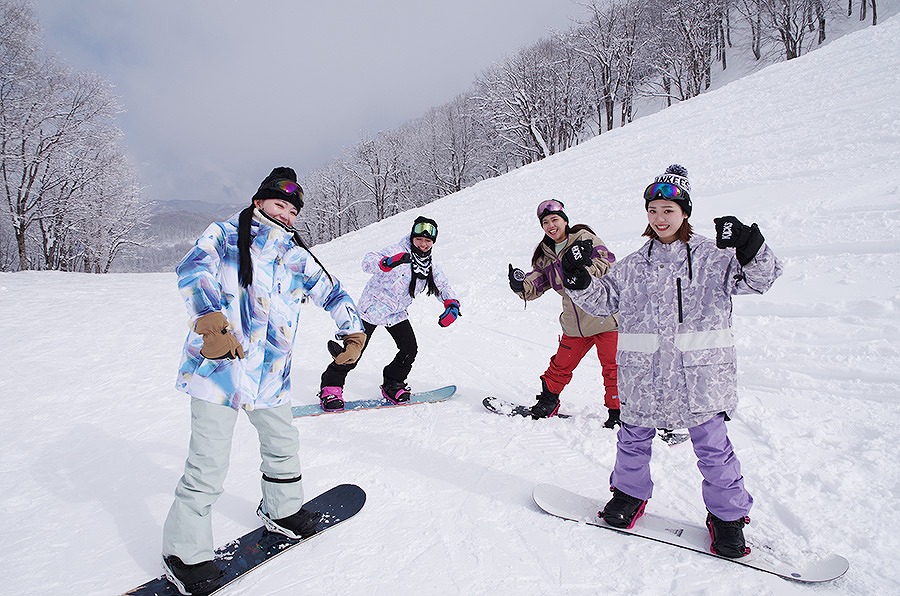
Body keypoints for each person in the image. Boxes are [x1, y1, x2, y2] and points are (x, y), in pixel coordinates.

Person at [161, 167, 367, 595]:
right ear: (259, 202)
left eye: (294, 210)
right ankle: (184, 552)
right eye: (280, 204)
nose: (288, 215)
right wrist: (210, 319)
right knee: (209, 463)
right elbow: (192, 268)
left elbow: (333, 292)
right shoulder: (225, 235)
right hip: (220, 371)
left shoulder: (296, 255)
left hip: (271, 375)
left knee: (282, 444)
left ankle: (284, 509)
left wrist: (353, 331)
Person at [559, 164, 782, 558]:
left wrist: (750, 246)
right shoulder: (631, 265)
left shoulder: (714, 256)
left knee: (713, 448)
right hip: (642, 375)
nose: (660, 218)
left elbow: (761, 279)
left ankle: (727, 518)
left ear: (685, 213)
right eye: (653, 210)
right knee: (632, 441)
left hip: (701, 378)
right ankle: (629, 495)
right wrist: (578, 280)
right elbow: (604, 302)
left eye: (668, 210)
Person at [317, 216, 460, 409]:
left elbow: (442, 286)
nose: (423, 244)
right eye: (419, 239)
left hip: (396, 313)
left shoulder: (429, 265)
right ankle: (330, 388)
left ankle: (393, 383)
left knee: (409, 349)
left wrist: (451, 304)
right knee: (353, 352)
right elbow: (367, 262)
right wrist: (387, 262)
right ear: (412, 237)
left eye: (428, 241)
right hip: (372, 309)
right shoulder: (398, 251)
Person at [507, 199, 620, 425]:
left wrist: (583, 272)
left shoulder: (585, 240)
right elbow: (538, 282)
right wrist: (521, 285)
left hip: (605, 318)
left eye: (555, 220)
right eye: (546, 222)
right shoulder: (544, 256)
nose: (551, 225)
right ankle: (548, 402)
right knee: (560, 365)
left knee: (613, 368)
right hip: (575, 323)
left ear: (565, 221)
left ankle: (619, 415)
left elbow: (606, 260)